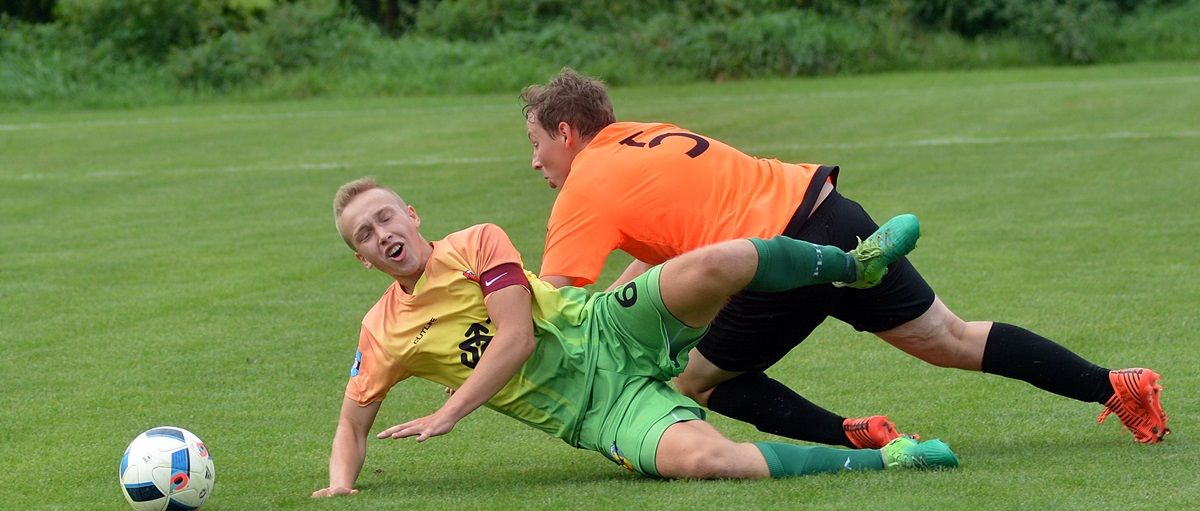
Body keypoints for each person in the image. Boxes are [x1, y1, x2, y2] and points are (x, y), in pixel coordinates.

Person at [519, 68, 1169, 449]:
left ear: (567, 133)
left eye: (537, 143)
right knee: (950, 336)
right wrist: (625, 299)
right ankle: (1114, 383)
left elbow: (550, 303)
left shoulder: (586, 184)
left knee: (693, 379)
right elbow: (680, 243)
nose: (535, 161)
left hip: (783, 259)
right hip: (832, 213)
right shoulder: (639, 138)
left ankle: (855, 439)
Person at [312, 178, 958, 497]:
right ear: (364, 260)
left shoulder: (475, 242)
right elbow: (352, 423)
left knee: (717, 261)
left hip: (608, 325)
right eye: (364, 236)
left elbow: (515, 338)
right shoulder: (383, 331)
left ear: (411, 215)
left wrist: (449, 410)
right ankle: (893, 458)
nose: (380, 234)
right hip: (597, 412)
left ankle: (855, 263)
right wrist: (342, 482)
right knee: (709, 459)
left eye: (384, 217)